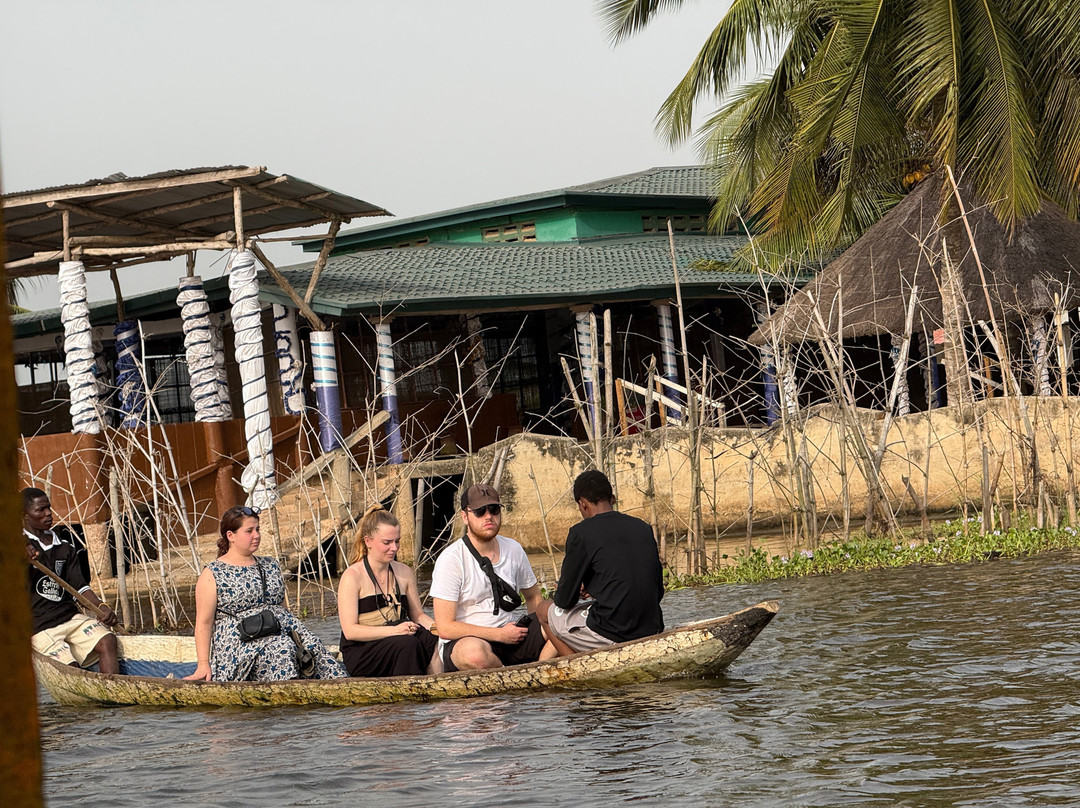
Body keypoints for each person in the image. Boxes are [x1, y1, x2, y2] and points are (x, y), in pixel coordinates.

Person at [185, 506, 347, 682]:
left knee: (313, 646)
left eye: (258, 529)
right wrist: (203, 664)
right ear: (231, 536)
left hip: (279, 630)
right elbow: (204, 622)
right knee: (281, 649)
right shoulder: (213, 573)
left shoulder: (271, 565)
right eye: (249, 531)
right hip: (241, 641)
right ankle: (287, 701)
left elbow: (282, 608)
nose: (257, 535)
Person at [537, 470, 664, 656]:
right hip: (652, 626)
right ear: (611, 498)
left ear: (582, 504)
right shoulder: (642, 527)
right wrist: (594, 588)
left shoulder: (581, 533)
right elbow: (657, 590)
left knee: (543, 610)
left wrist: (567, 589)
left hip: (613, 630)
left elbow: (564, 600)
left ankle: (576, 666)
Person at [430, 483, 555, 671]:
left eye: (494, 509)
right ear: (465, 516)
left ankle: (539, 670)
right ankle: (515, 676)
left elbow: (533, 596)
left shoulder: (513, 549)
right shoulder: (451, 559)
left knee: (562, 622)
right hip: (469, 641)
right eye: (480, 511)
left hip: (512, 633)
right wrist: (498, 635)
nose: (488, 516)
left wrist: (536, 627)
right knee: (474, 655)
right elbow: (445, 627)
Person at [23, 487, 120, 674]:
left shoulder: (64, 548)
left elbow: (81, 588)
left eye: (49, 508)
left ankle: (112, 693)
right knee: (70, 668)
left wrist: (100, 606)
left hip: (69, 617)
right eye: (40, 510)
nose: (48, 513)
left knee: (108, 641)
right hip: (39, 627)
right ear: (25, 515)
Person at [337, 505, 440, 677]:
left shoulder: (404, 572)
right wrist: (394, 631)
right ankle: (408, 696)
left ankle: (439, 685)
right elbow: (351, 631)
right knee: (408, 644)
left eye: (397, 541)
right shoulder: (352, 577)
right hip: (363, 650)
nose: (394, 548)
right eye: (387, 542)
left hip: (399, 637)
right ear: (368, 541)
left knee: (432, 639)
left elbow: (418, 616)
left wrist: (441, 629)